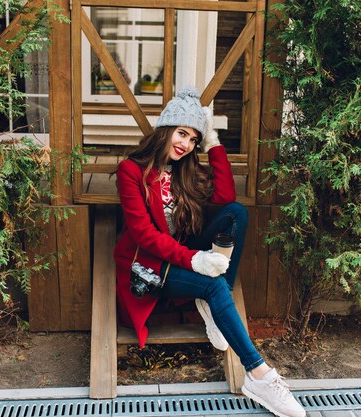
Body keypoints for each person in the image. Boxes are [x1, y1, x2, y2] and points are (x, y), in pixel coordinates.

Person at [114, 87, 306, 417]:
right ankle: (259, 374)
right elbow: (144, 235)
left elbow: (227, 196)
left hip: (184, 253)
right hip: (151, 266)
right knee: (213, 284)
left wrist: (214, 143)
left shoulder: (184, 169)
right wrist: (195, 260)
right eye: (182, 133)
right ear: (166, 129)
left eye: (193, 139)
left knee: (237, 213)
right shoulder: (130, 171)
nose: (185, 144)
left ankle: (217, 304)